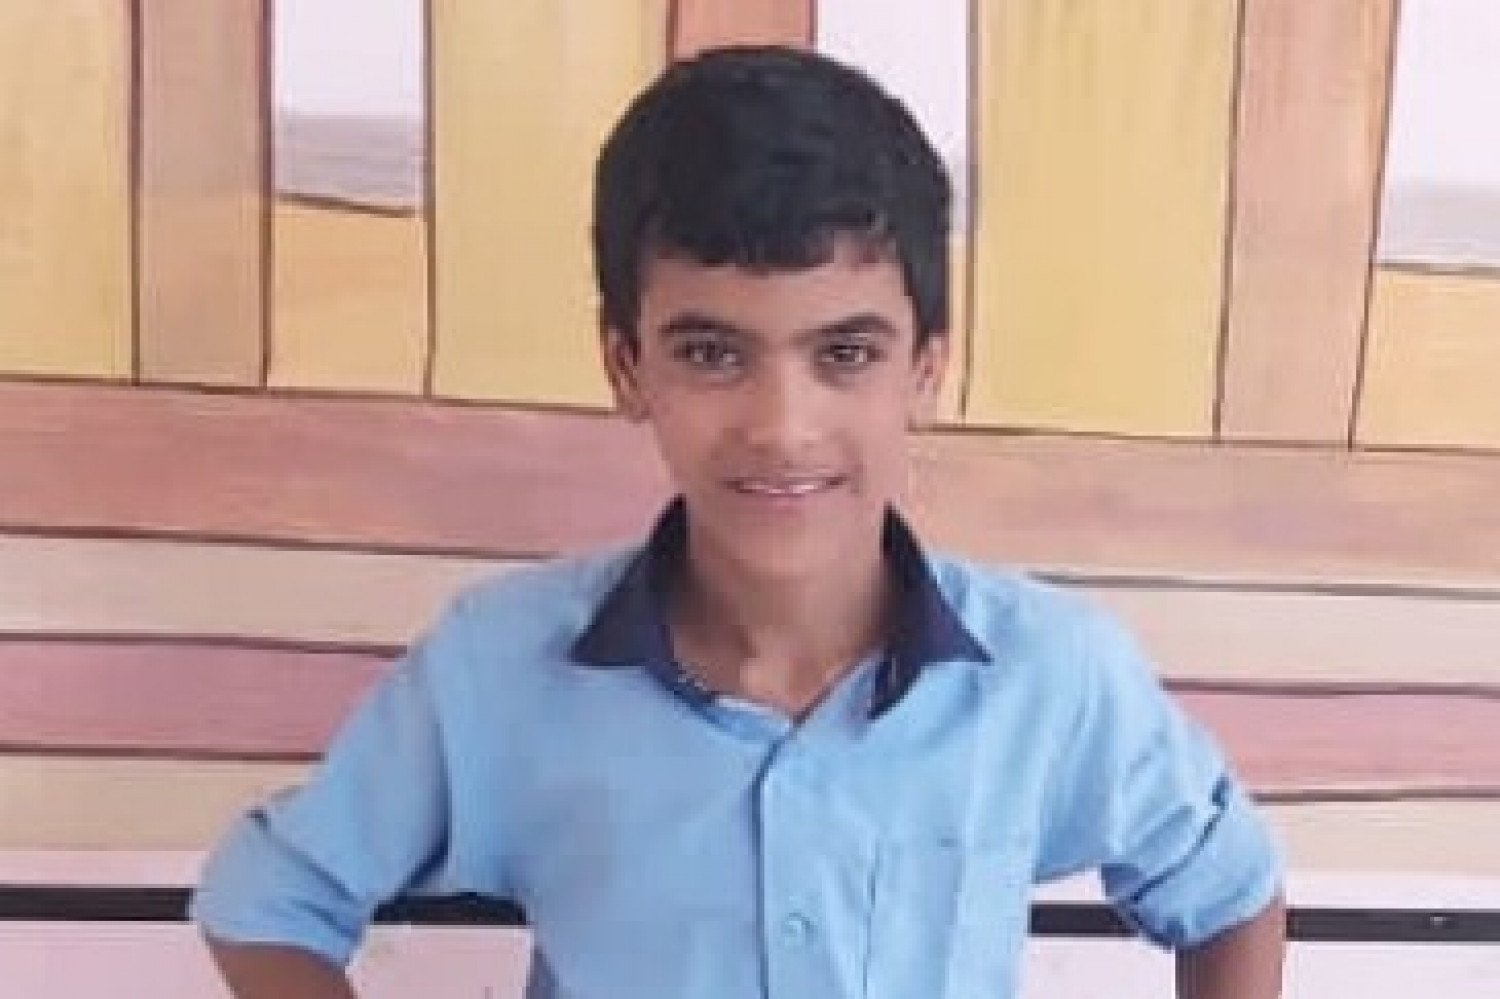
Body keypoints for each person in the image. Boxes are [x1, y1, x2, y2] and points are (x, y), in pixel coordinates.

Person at [192, 45, 1285, 998]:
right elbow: (267, 900)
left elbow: (1232, 891)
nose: (781, 427)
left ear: (925, 367)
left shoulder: (1050, 675)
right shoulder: (499, 670)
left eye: (844, 353)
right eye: (713, 353)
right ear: (628, 365)